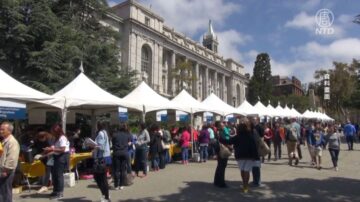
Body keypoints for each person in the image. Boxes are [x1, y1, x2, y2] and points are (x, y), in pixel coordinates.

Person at [231, 118, 258, 193]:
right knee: (247, 171)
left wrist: (220, 139)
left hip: (240, 155)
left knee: (242, 170)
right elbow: (254, 147)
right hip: (249, 156)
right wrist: (255, 156)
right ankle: (246, 186)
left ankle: (244, 184)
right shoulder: (250, 136)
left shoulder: (237, 136)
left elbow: (229, 141)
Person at [44, 124, 70, 200]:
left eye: (53, 131)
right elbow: (57, 148)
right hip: (57, 157)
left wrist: (52, 149)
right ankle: (55, 191)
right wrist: (51, 148)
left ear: (57, 131)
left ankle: (60, 192)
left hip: (62, 157)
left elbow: (62, 149)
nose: (51, 133)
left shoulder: (62, 138)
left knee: (59, 175)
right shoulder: (57, 138)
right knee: (55, 175)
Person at [0, 122, 20, 202]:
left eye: (2, 129)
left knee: (5, 191)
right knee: (2, 191)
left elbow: (12, 158)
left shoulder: (12, 142)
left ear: (9, 131)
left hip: (6, 170)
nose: (0, 131)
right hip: (3, 169)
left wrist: (6, 170)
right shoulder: (5, 140)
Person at [91, 122, 111, 201]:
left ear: (98, 126)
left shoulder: (100, 134)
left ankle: (106, 196)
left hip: (101, 158)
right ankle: (106, 195)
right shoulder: (105, 132)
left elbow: (100, 146)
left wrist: (92, 145)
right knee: (102, 178)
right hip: (106, 157)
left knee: (99, 178)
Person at [112, 123, 131, 191]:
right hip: (124, 153)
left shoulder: (115, 135)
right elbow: (129, 142)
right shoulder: (126, 135)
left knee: (116, 170)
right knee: (123, 169)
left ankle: (116, 185)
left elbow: (113, 144)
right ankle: (121, 185)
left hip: (117, 153)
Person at [213, 122, 232, 188]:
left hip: (220, 149)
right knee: (222, 166)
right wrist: (230, 146)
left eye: (223, 125)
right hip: (223, 150)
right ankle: (221, 183)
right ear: (219, 126)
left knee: (220, 166)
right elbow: (226, 140)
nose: (224, 126)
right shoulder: (222, 132)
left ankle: (216, 181)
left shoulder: (219, 132)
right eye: (222, 125)